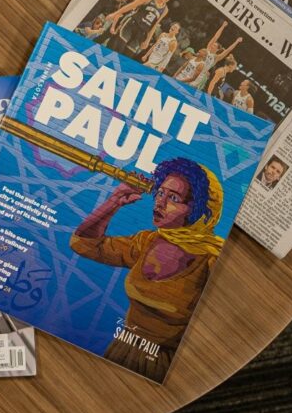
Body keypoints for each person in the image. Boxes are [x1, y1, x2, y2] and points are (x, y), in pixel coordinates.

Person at [70, 158, 225, 382]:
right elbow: (82, 244)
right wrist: (114, 202)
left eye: (173, 198)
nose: (159, 203)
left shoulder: (211, 259)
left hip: (165, 366)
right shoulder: (147, 241)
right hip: (120, 350)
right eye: (160, 193)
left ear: (201, 210)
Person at [103, 0, 174, 57]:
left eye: (166, 0)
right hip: (131, 25)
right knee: (117, 48)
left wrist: (147, 40)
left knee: (127, 55)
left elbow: (155, 25)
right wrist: (115, 14)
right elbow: (131, 5)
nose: (163, 0)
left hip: (142, 32)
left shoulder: (165, 10)